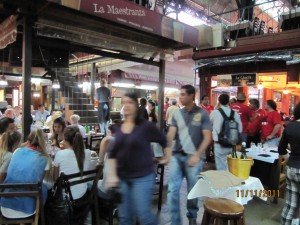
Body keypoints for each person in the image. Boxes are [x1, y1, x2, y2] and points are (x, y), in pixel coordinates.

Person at [106, 92, 171, 225]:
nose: (126, 105)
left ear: (136, 105)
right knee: (124, 217)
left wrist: (167, 156)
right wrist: (112, 175)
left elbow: (164, 140)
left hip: (143, 177)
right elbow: (113, 154)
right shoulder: (120, 127)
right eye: (124, 103)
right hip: (122, 178)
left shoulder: (145, 126)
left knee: (144, 216)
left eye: (129, 102)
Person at [166, 85, 211, 225]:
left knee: (193, 190)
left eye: (183, 94)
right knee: (172, 190)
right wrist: (167, 151)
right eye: (180, 95)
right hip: (177, 156)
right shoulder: (177, 114)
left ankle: (192, 217)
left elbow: (207, 136)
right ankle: (175, 221)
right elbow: (171, 134)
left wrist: (197, 155)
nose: (181, 97)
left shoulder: (202, 114)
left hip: (194, 157)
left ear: (192, 96)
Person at [0, 129, 51, 218]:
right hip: (28, 208)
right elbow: (46, 180)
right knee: (45, 187)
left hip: (5, 203)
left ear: (28, 140)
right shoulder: (45, 159)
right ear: (44, 143)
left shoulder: (17, 151)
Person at [53, 126, 91, 200]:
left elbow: (55, 178)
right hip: (82, 193)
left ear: (65, 138)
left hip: (66, 197)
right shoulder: (88, 153)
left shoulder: (60, 154)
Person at [279, 103, 300, 225]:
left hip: (291, 168)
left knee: (290, 203)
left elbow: (281, 149)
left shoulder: (290, 127)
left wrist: (290, 155)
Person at [210, 94, 242, 171]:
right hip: (232, 144)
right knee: (231, 168)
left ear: (219, 101)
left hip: (219, 144)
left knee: (221, 168)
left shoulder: (215, 113)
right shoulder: (234, 113)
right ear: (228, 101)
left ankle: (223, 182)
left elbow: (208, 125)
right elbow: (240, 129)